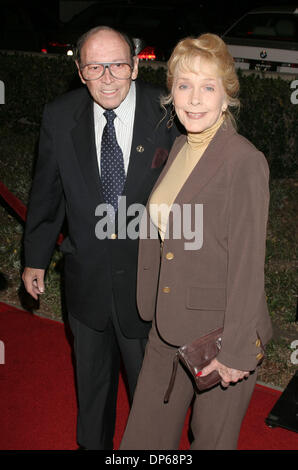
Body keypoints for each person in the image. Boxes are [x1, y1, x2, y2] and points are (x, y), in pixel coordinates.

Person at [22, 26, 179, 450]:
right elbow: (47, 192)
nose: (107, 76)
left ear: (135, 66)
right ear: (79, 70)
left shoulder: (168, 112)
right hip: (86, 280)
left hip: (147, 289)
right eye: (95, 66)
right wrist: (35, 258)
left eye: (117, 65)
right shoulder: (59, 115)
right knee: (92, 393)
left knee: (152, 401)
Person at [120, 33, 273, 450]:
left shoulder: (243, 161)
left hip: (223, 336)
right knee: (142, 443)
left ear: (228, 97)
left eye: (209, 86)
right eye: (184, 85)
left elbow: (247, 265)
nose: (195, 98)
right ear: (172, 92)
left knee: (211, 443)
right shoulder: (181, 146)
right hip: (167, 328)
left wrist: (239, 352)